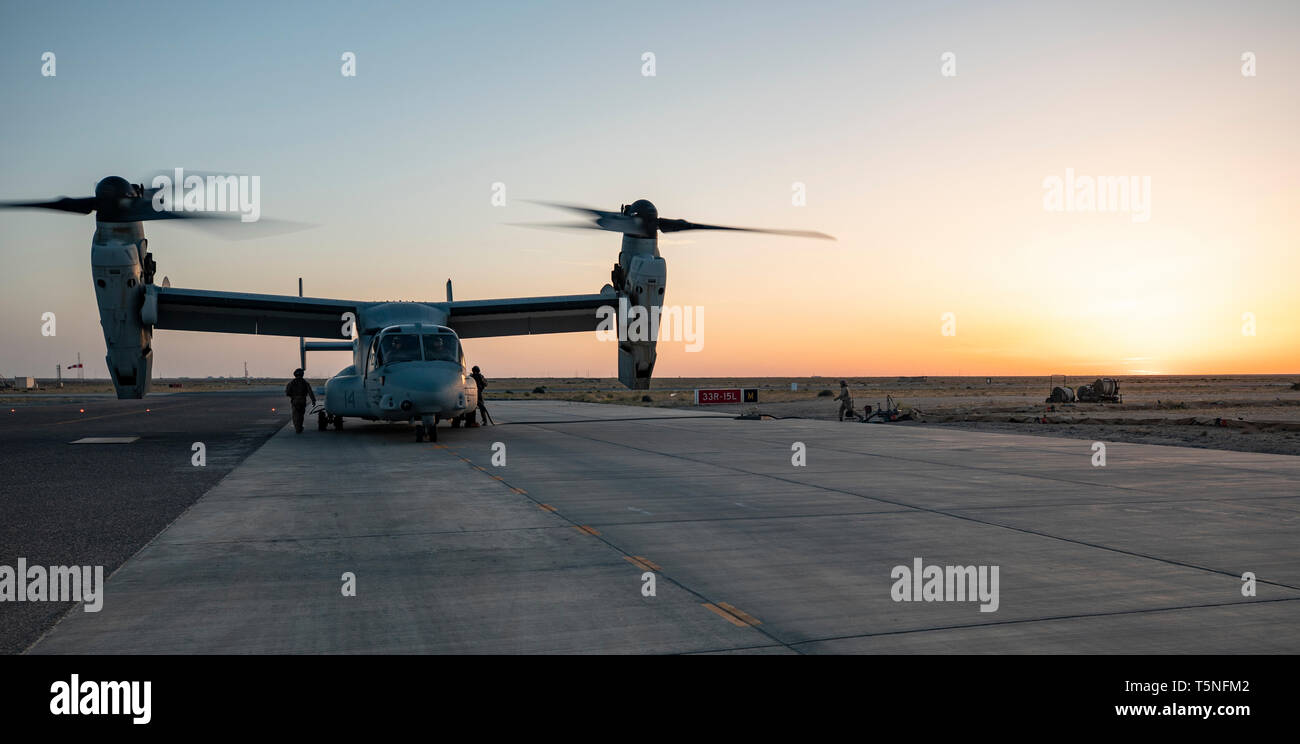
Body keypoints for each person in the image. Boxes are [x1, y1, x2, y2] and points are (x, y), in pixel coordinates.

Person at [285, 368, 316, 434]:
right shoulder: (305, 383)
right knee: (301, 415)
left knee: (295, 415)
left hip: (295, 400)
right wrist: (313, 401)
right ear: (302, 374)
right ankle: (300, 427)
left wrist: (293, 396)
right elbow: (310, 392)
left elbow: (287, 392)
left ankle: (297, 428)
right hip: (302, 400)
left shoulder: (291, 383)